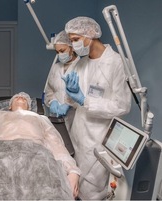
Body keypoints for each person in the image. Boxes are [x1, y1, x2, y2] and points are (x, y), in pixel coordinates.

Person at [0, 92, 81, 200]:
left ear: (30, 107)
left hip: (37, 154)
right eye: (16, 97)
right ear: (9, 106)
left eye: (24, 98)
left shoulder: (40, 118)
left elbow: (56, 145)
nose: (20, 96)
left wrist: (72, 171)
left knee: (48, 192)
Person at [62, 16, 132, 200]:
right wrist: (70, 94)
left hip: (99, 139)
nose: (74, 45)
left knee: (94, 191)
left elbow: (122, 106)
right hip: (78, 133)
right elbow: (72, 99)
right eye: (71, 41)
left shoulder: (117, 63)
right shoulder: (81, 63)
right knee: (76, 186)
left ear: (91, 34)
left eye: (76, 39)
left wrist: (85, 101)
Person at [44, 30, 79, 131]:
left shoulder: (82, 66)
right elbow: (49, 90)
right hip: (55, 117)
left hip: (75, 117)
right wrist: (53, 101)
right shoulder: (55, 67)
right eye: (57, 52)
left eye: (62, 51)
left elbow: (85, 96)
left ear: (72, 48)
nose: (59, 54)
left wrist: (69, 104)